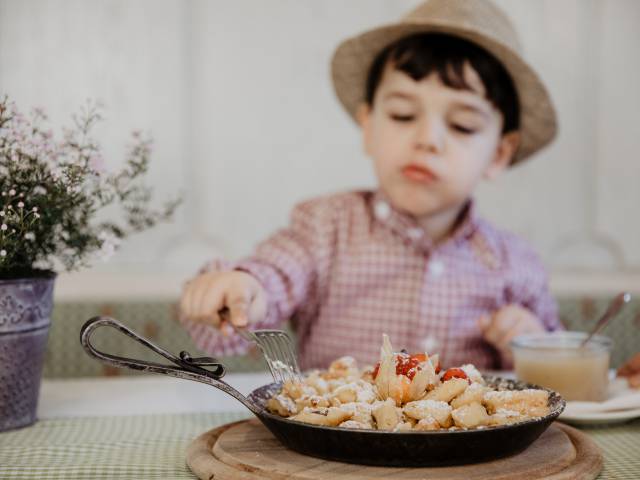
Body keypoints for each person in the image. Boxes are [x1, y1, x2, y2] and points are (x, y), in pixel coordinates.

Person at [179, 0, 563, 371]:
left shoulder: (516, 265)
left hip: (469, 437)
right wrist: (241, 289)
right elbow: (273, 279)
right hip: (336, 435)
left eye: (462, 125)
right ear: (368, 127)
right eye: (403, 114)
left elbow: (558, 374)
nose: (428, 139)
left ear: (498, 154)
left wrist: (530, 344)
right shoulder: (324, 229)